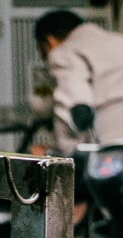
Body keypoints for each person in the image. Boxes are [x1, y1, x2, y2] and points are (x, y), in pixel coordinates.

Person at [36, 9, 123, 147]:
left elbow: (75, 110)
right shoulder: (119, 40)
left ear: (50, 41)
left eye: (42, 51)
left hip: (111, 150)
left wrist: (53, 152)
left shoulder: (64, 53)